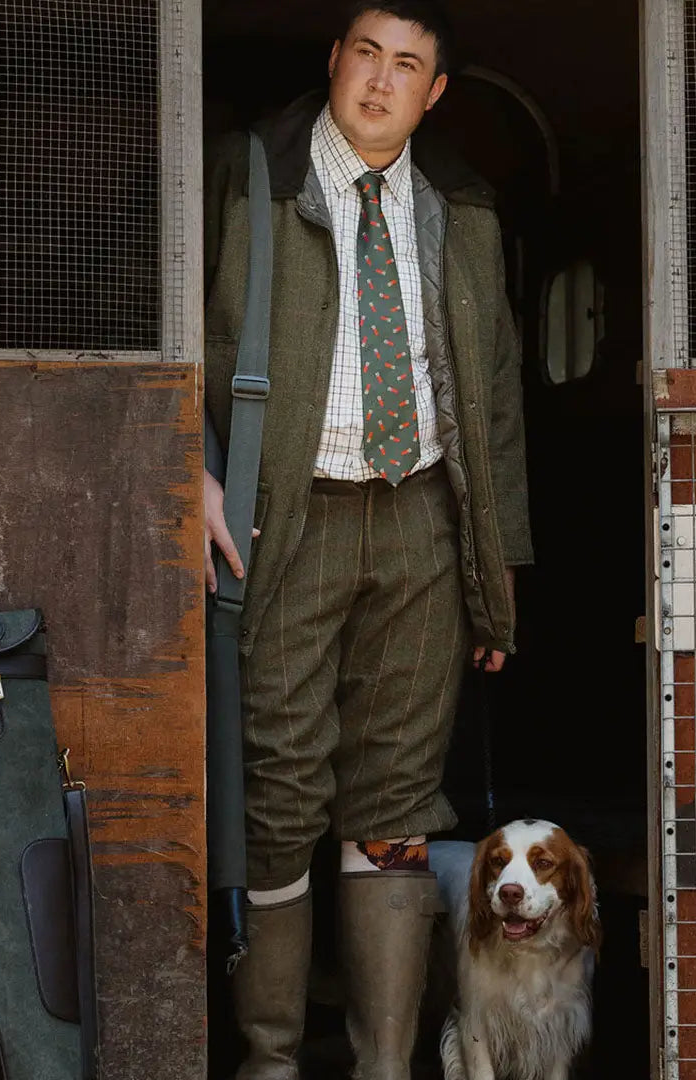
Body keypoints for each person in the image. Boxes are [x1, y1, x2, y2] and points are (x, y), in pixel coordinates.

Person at [202, 2, 532, 1076]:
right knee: (279, 785)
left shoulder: (462, 209)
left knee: (394, 794)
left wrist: (494, 580)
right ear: (334, 60)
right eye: (366, 56)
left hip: (423, 521)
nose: (381, 83)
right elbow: (173, 341)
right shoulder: (248, 181)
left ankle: (385, 1066)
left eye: (407, 67)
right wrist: (190, 471)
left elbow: (492, 405)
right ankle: (268, 1060)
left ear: (434, 92)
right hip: (288, 517)